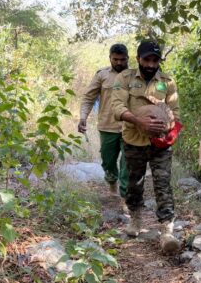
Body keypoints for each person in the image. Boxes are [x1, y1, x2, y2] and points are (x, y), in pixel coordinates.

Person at [110, 40, 182, 254]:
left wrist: (168, 126)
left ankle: (167, 229)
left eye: (155, 60)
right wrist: (138, 121)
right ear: (138, 59)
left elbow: (175, 112)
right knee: (135, 182)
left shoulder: (167, 81)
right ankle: (136, 219)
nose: (151, 64)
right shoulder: (124, 78)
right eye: (146, 59)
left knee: (163, 183)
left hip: (160, 143)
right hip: (133, 139)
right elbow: (117, 106)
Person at [78, 44, 130, 198]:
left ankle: (125, 195)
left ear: (128, 58)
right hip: (108, 126)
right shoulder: (102, 75)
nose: (119, 63)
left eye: (122, 59)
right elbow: (89, 97)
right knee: (108, 162)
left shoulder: (135, 75)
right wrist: (83, 117)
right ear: (110, 58)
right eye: (115, 59)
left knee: (128, 164)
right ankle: (112, 182)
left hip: (130, 127)